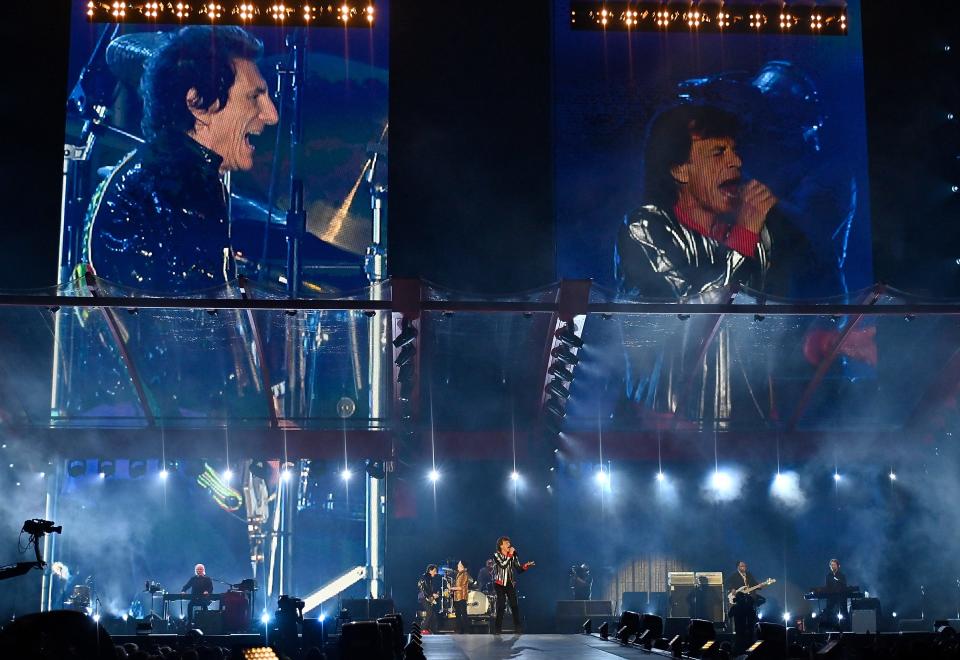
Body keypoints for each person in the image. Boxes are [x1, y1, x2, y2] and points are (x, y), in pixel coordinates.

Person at [83, 25, 279, 294]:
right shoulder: (170, 184)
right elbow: (191, 320)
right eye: (254, 96)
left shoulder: (181, 174)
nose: (271, 115)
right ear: (198, 103)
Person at [616, 104, 776, 302]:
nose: (737, 161)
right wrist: (744, 235)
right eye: (718, 153)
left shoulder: (756, 227)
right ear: (679, 171)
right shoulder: (643, 227)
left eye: (734, 150)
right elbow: (691, 314)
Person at [492, 536, 535, 635]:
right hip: (499, 583)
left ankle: (518, 628)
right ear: (501, 545)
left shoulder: (513, 555)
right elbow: (503, 565)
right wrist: (510, 554)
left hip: (509, 583)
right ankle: (497, 629)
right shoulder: (496, 555)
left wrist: (526, 566)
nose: (509, 544)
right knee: (501, 605)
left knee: (514, 605)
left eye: (509, 543)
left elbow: (518, 569)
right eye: (506, 543)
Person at [724, 561, 762, 654]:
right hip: (739, 600)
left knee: (749, 624)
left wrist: (760, 586)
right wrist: (732, 588)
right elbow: (726, 583)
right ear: (738, 567)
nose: (744, 567)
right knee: (739, 626)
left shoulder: (749, 575)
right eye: (742, 566)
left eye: (745, 566)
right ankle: (739, 647)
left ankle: (749, 644)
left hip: (748, 601)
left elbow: (754, 584)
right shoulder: (734, 575)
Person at [823, 558, 849, 630]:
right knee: (829, 613)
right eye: (831, 565)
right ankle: (831, 630)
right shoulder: (828, 576)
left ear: (838, 566)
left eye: (834, 565)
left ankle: (845, 629)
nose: (832, 566)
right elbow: (827, 587)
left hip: (841, 598)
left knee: (843, 613)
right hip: (831, 599)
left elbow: (844, 586)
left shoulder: (842, 576)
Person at [417, 565, 439, 634]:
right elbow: (426, 589)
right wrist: (432, 595)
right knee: (430, 612)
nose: (435, 573)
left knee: (433, 614)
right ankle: (422, 629)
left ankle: (432, 630)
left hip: (424, 597)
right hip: (424, 597)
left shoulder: (425, 577)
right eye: (434, 571)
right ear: (430, 570)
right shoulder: (427, 577)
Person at [452, 560, 471, 634]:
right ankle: (459, 630)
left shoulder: (464, 574)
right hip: (457, 597)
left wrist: (451, 588)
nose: (457, 565)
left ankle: (466, 630)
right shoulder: (459, 574)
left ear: (462, 566)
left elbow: (461, 587)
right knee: (458, 614)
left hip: (462, 597)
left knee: (463, 614)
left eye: (459, 564)